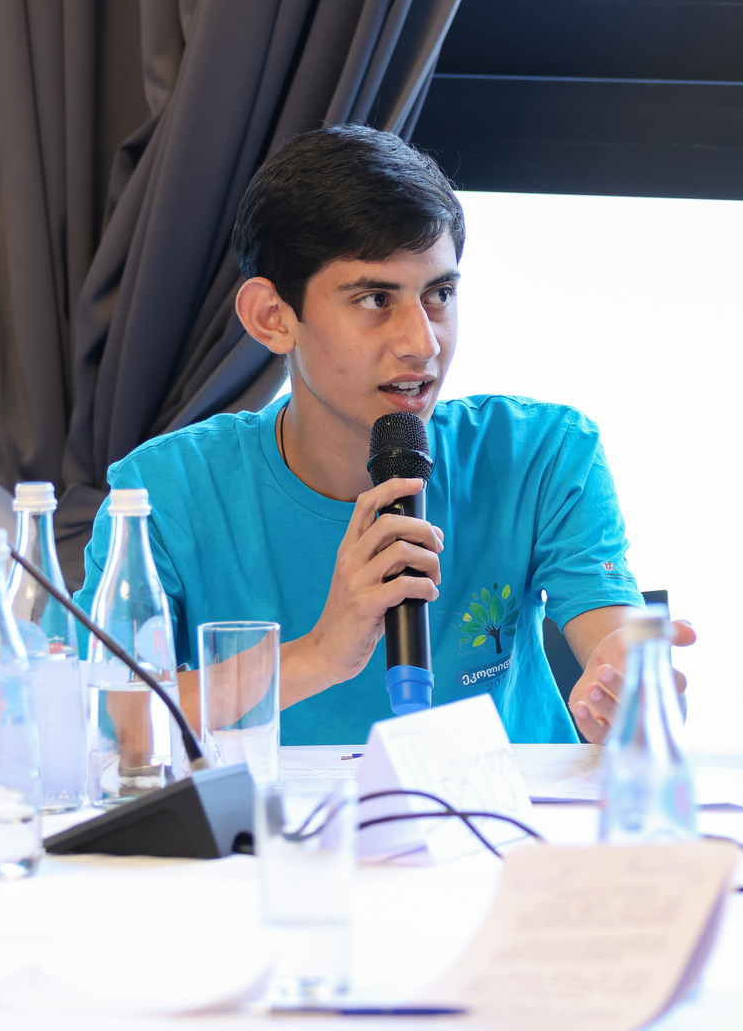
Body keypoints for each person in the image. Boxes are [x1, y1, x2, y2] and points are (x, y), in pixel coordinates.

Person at [76, 124, 689, 745]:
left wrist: (630, 688)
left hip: (506, 807)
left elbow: (613, 636)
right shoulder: (164, 491)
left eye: (439, 294)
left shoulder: (542, 452)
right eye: (375, 299)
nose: (422, 343)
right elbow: (100, 715)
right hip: (279, 811)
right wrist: (318, 655)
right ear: (273, 318)